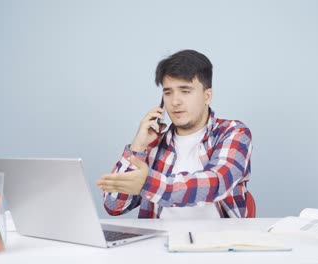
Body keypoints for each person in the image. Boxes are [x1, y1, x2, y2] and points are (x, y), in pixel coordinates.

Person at [96, 49, 254, 218]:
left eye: (185, 91)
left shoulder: (233, 132)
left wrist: (147, 183)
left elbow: (216, 183)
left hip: (218, 241)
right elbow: (114, 205)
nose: (175, 102)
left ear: (207, 96)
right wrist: (138, 146)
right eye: (168, 92)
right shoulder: (154, 144)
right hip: (159, 241)